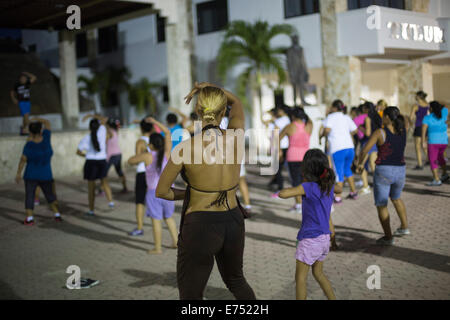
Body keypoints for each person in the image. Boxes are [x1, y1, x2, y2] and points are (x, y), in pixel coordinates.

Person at [156, 81, 256, 300]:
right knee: (237, 281)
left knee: (191, 294)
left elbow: (162, 192)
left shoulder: (185, 148)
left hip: (200, 224)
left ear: (197, 111)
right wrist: (210, 87)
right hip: (233, 219)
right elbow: (236, 101)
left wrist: (191, 193)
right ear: (223, 112)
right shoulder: (236, 137)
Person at [279, 149, 341, 300]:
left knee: (300, 279)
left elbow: (283, 194)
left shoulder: (308, 187)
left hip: (310, 240)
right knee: (318, 274)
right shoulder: (328, 186)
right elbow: (329, 213)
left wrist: (298, 185)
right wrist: (333, 238)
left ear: (307, 169)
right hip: (324, 239)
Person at [357, 107, 410, 245]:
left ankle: (388, 237)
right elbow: (408, 120)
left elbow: (365, 150)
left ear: (387, 117)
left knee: (381, 204)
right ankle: (404, 227)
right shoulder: (403, 130)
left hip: (384, 171)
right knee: (397, 198)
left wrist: (359, 164)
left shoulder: (380, 132)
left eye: (383, 116)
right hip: (401, 170)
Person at [128, 117, 178, 254]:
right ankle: (176, 242)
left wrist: (144, 151)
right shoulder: (167, 153)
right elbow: (167, 132)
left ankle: (158, 248)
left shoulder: (147, 156)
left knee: (156, 220)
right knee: (169, 218)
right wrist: (155, 122)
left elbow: (130, 161)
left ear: (151, 145)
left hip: (154, 193)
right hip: (169, 191)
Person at [15, 118, 61, 225]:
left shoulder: (28, 145)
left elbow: (23, 160)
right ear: (41, 130)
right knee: (50, 195)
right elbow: (48, 123)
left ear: (30, 132)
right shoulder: (46, 138)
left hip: (30, 174)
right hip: (46, 174)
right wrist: (36, 119)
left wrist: (18, 173)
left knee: (29, 196)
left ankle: (30, 218)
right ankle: (57, 215)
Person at [320, 100, 359, 203]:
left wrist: (322, 135)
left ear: (334, 107)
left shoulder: (331, 117)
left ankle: (338, 197)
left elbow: (327, 130)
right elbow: (355, 130)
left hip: (337, 148)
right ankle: (353, 192)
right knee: (347, 170)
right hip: (349, 147)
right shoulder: (346, 117)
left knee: (338, 173)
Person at [77, 115, 114, 215]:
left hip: (90, 162)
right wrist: (90, 115)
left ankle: (91, 210)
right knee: (104, 182)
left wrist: (87, 155)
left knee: (91, 188)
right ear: (98, 126)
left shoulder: (86, 138)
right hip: (102, 161)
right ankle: (110, 202)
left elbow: (78, 152)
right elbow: (104, 119)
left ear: (89, 128)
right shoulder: (102, 131)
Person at [279, 106, 312, 213]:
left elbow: (277, 138)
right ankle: (309, 203)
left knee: (296, 182)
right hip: (306, 157)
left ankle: (298, 205)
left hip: (293, 157)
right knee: (307, 181)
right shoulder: (309, 125)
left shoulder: (289, 126)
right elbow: (309, 119)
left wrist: (279, 151)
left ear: (292, 116)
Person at [128, 118, 155, 236]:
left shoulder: (140, 142)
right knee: (154, 200)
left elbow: (137, 158)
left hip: (142, 172)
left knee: (139, 201)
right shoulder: (156, 140)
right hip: (153, 173)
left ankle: (139, 228)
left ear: (141, 128)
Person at [422, 101, 449, 186]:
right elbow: (446, 105)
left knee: (433, 160)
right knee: (441, 158)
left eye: (429, 107)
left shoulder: (427, 118)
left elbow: (423, 131)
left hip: (433, 142)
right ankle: (444, 173)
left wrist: (423, 141)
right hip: (444, 141)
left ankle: (436, 179)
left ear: (431, 108)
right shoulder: (444, 113)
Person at [267, 105, 291, 195]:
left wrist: (273, 147)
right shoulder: (288, 119)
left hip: (279, 146)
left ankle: (280, 188)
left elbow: (275, 135)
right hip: (287, 145)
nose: (278, 112)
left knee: (277, 168)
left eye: (279, 110)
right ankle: (277, 184)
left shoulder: (279, 121)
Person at [105, 117, 128, 193]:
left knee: (103, 174)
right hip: (118, 154)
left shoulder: (109, 132)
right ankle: (125, 187)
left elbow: (105, 142)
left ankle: (103, 189)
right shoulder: (116, 131)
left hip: (112, 155)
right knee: (119, 171)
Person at [409, 91, 429, 170]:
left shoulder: (415, 106)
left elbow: (411, 118)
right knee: (424, 145)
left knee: (417, 146)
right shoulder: (428, 105)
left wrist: (410, 124)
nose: (415, 97)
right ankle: (429, 160)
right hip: (427, 127)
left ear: (419, 97)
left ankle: (420, 164)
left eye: (416, 96)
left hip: (418, 126)